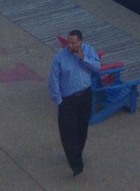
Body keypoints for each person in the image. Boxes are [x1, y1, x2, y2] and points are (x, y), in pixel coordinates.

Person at [48, 28, 101, 176]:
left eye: (74, 43)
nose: (70, 46)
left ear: (80, 42)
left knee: (82, 126)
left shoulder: (88, 50)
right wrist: (59, 100)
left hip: (85, 95)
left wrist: (83, 57)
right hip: (68, 99)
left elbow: (97, 67)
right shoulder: (60, 57)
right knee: (67, 130)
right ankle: (76, 163)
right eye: (69, 43)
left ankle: (76, 153)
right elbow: (53, 79)